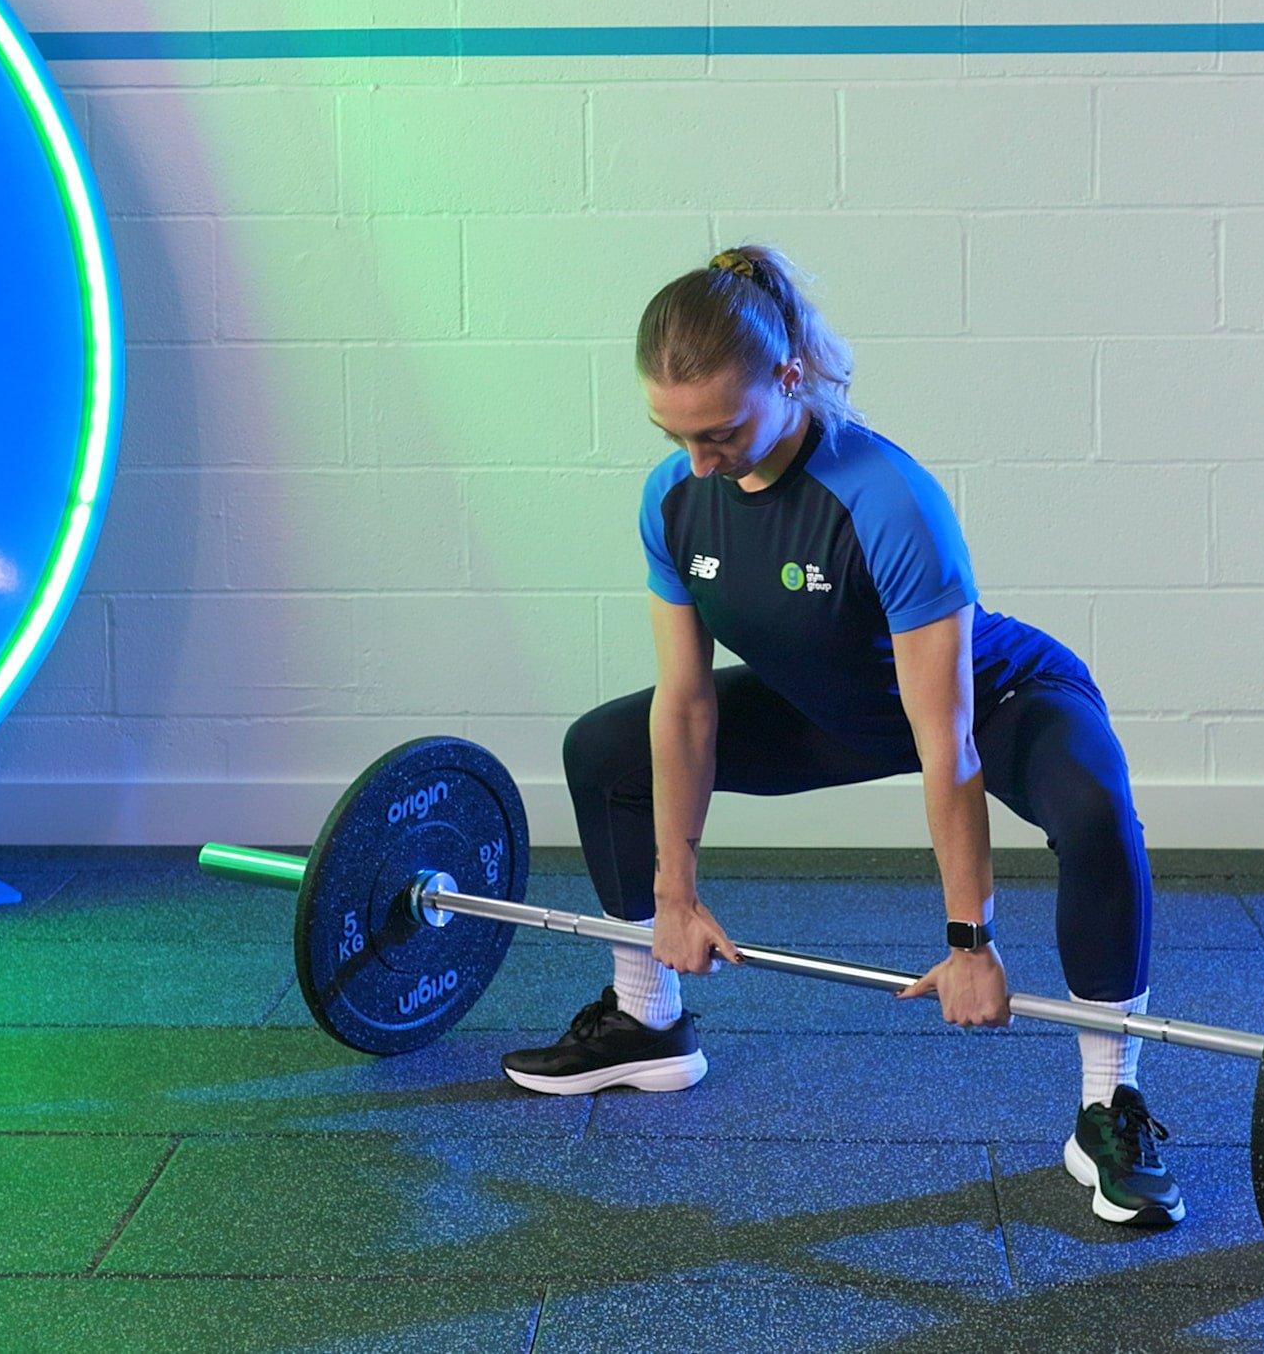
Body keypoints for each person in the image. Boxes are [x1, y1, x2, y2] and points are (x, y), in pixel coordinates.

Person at [500, 242, 1182, 1227]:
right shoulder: (675, 496)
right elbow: (686, 706)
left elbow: (944, 738)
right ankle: (644, 1018)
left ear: (788, 376)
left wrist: (970, 939)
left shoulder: (884, 499)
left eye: (721, 430)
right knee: (604, 750)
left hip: (993, 698)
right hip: (833, 709)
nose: (699, 458)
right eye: (673, 432)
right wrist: (674, 892)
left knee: (1093, 808)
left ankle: (1108, 1103)